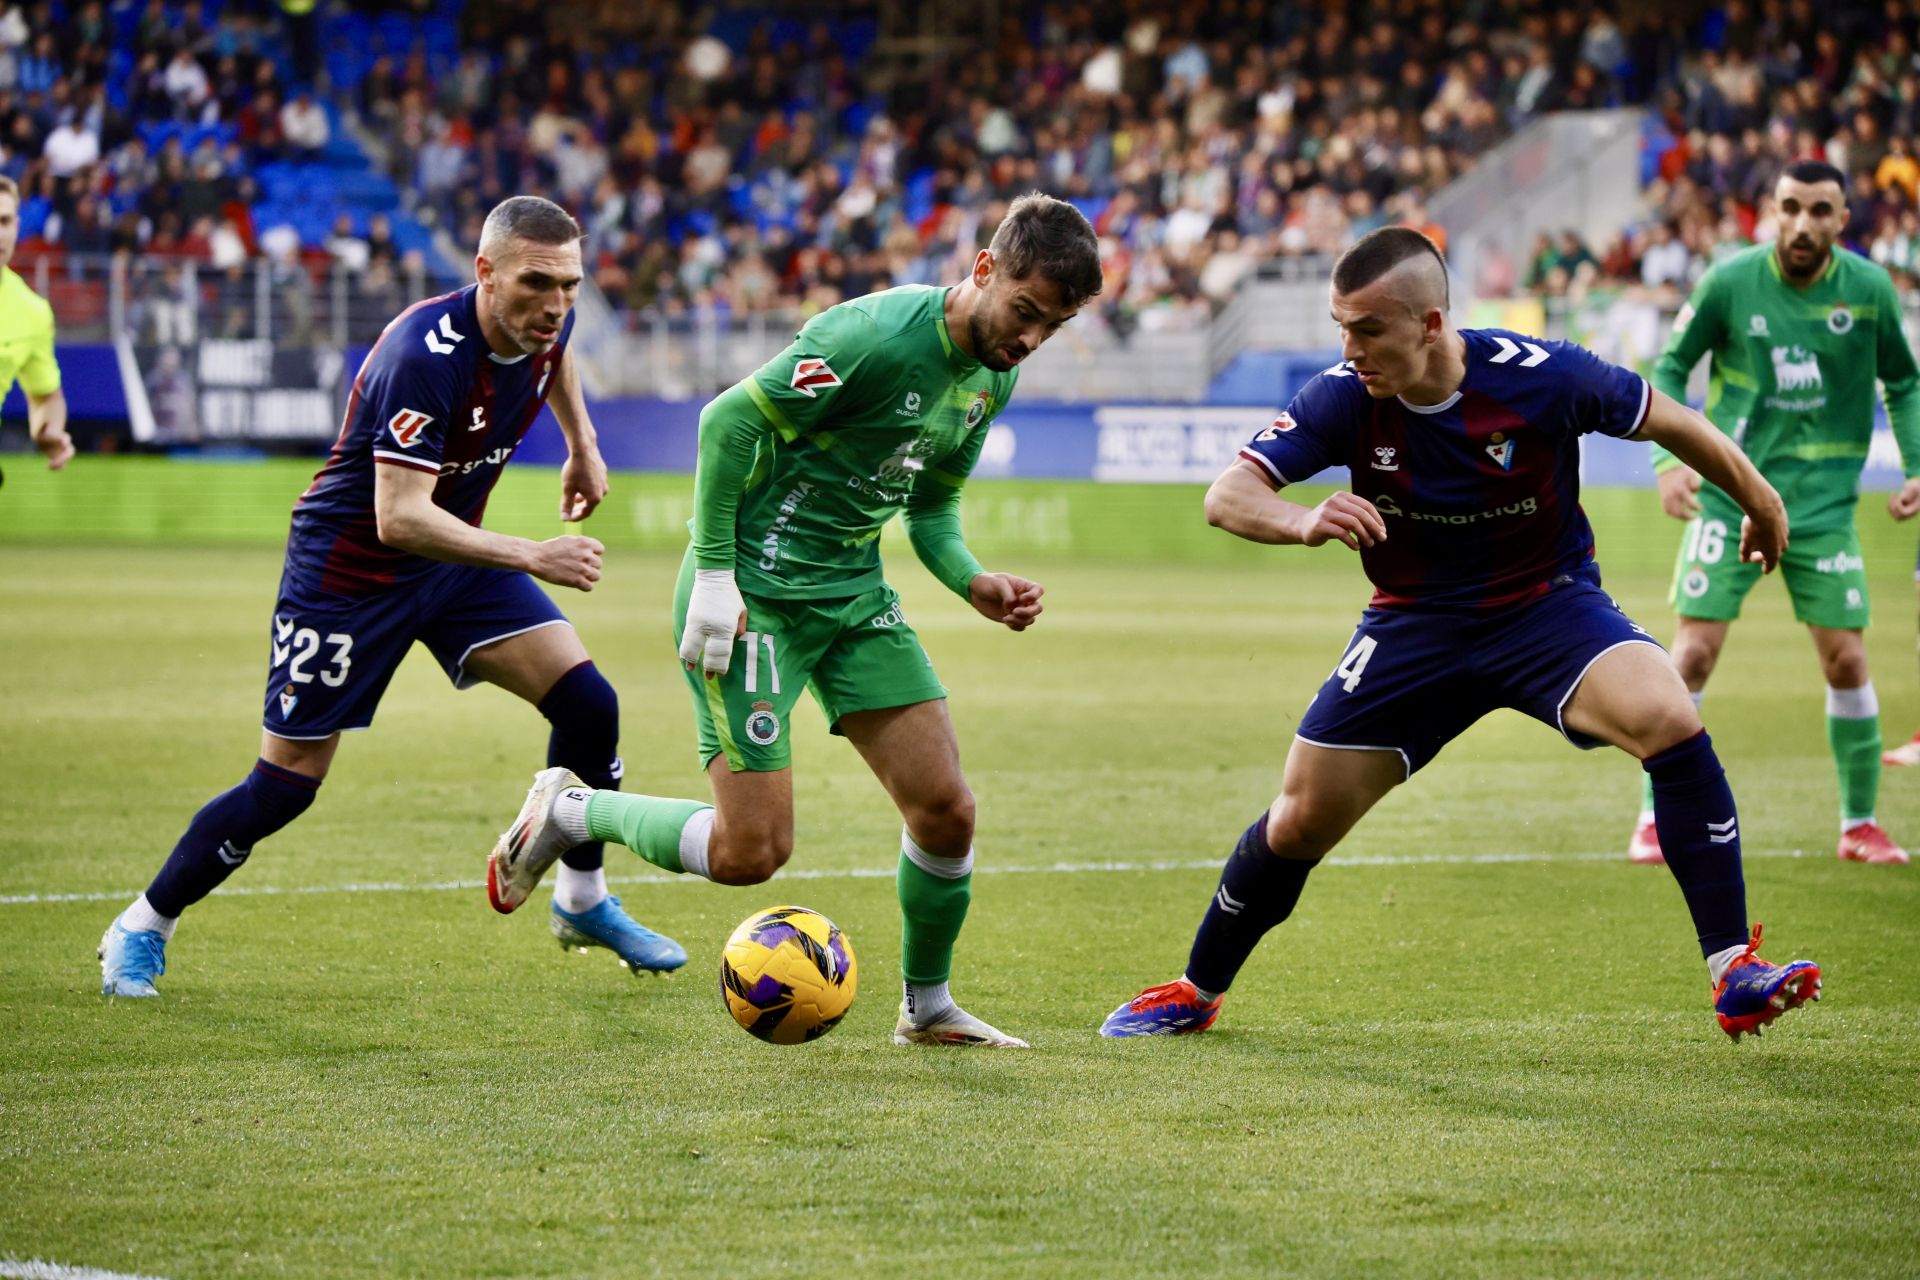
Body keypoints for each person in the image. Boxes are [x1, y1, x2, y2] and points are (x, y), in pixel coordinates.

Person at [1100, 227, 1822, 1042]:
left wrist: (1761, 502)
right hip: (1412, 623)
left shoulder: (1546, 376)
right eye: (1341, 326)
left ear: (1432, 324)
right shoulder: (1342, 397)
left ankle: (1734, 971)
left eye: (1368, 329)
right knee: (1299, 818)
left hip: (1546, 608)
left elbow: (1672, 421)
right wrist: (1303, 520)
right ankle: (1196, 990)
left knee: (1669, 717)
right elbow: (1227, 495)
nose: (1351, 348)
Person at [485, 192, 1103, 1048]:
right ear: (986, 269)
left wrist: (972, 581)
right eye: (1026, 311)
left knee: (946, 809)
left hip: (853, 595)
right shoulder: (872, 337)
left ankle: (926, 1009)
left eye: (1053, 327)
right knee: (751, 853)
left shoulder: (994, 375)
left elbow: (932, 506)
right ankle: (573, 811)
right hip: (752, 600)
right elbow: (725, 421)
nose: (1030, 337)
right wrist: (712, 575)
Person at [98, 196, 684, 997]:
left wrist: (582, 446)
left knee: (588, 706)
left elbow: (558, 359)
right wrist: (532, 555)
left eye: (571, 285)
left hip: (452, 565)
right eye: (537, 283)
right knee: (284, 787)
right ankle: (142, 924)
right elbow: (399, 518)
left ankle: (582, 898)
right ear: (484, 272)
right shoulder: (423, 355)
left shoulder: (550, 320)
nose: (556, 304)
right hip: (349, 578)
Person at [1628, 162, 1920, 867]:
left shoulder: (1872, 291)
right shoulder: (1729, 282)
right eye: (1790, 207)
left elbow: (1904, 381)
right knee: (1693, 652)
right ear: (1770, 210)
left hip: (1821, 508)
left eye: (1820, 210)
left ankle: (1859, 825)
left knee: (1847, 659)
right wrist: (1668, 465)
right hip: (1731, 497)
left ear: (1843, 219)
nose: (1802, 224)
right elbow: (1668, 370)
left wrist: (1918, 466)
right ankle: (1653, 820)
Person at [0, 174, 74, 471]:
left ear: (17, 227)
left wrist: (49, 429)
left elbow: (47, 397)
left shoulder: (32, 311)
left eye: (4, 222)